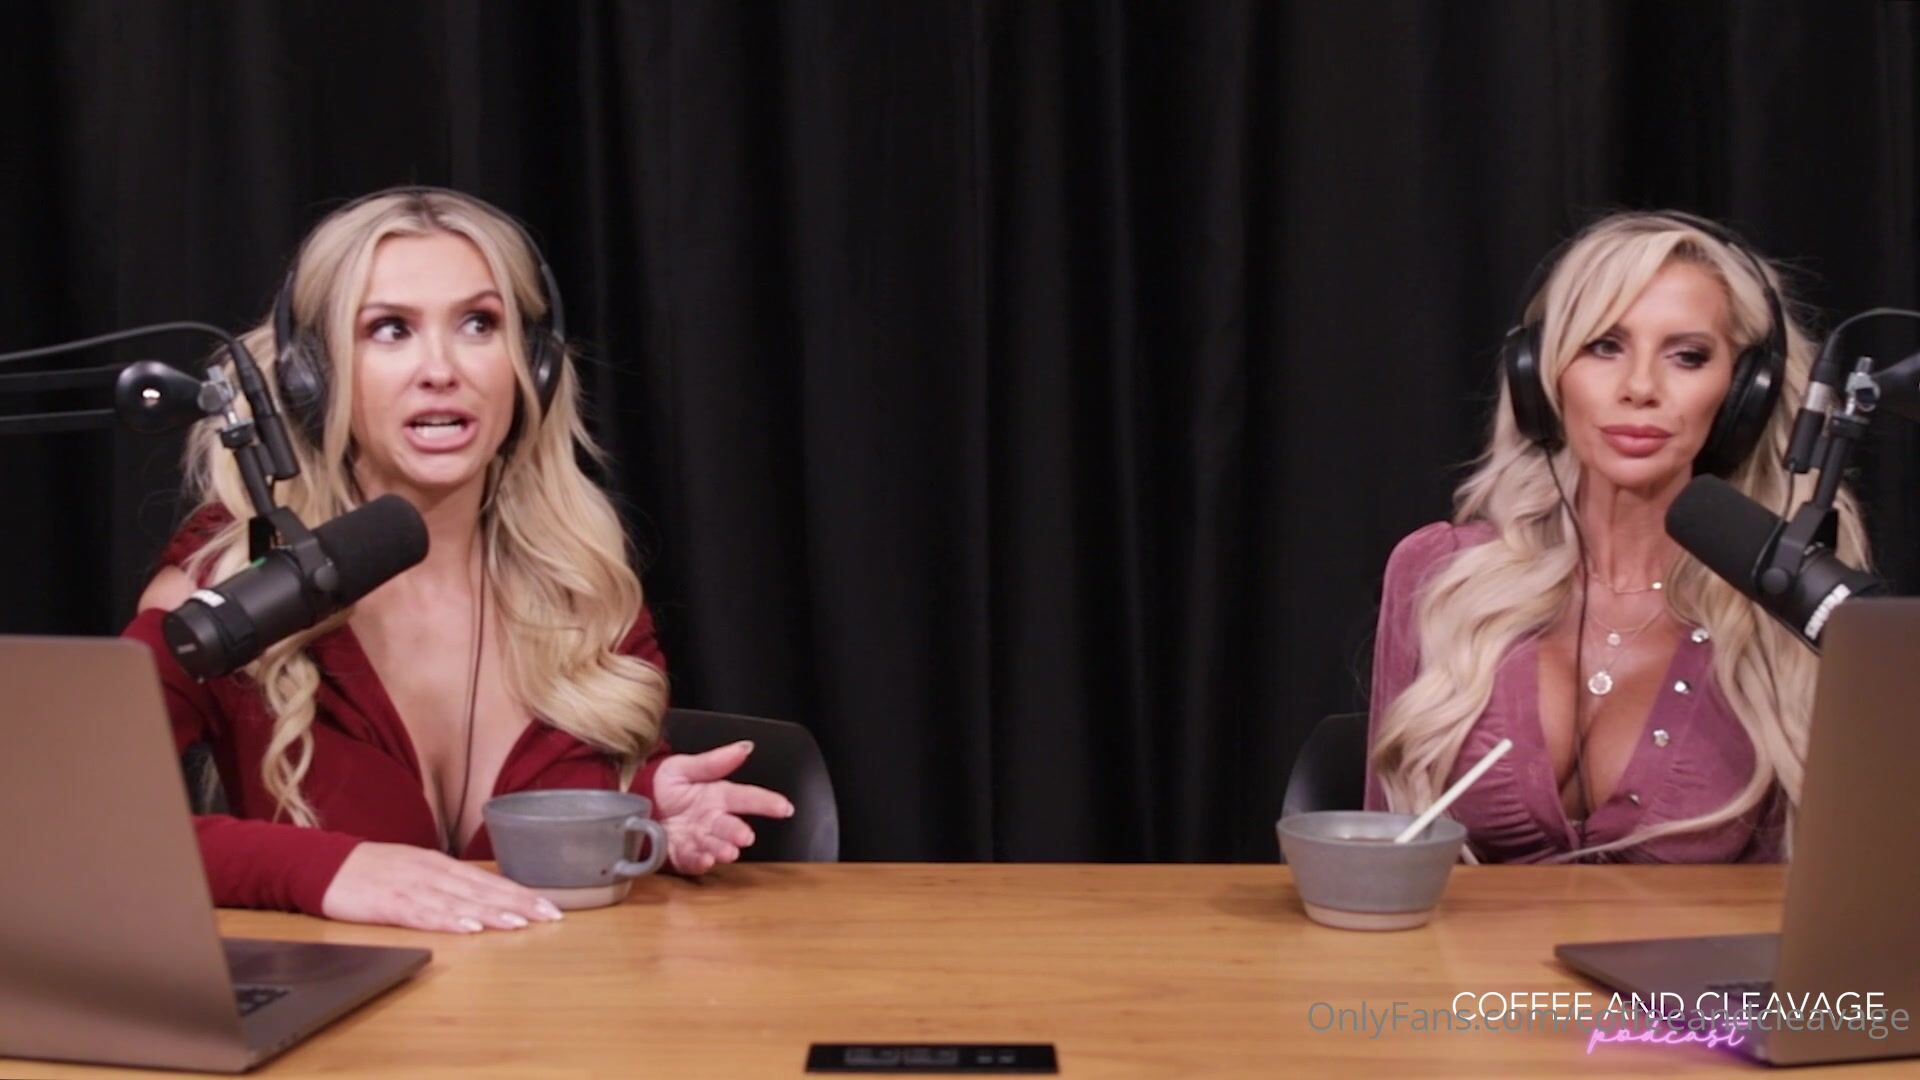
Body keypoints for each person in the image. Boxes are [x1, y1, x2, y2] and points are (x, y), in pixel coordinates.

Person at [123, 187, 793, 932]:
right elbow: (70, 822)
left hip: (554, 1003)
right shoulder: (233, 583)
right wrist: (325, 869)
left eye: (479, 324)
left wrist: (645, 810)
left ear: (532, 365)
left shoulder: (580, 584)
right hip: (341, 1008)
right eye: (390, 329)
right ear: (315, 374)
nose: (441, 369)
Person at [1365, 210, 1868, 863]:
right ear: (1540, 374)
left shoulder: (1789, 596)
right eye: (1604, 346)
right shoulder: (1440, 573)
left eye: (1687, 356)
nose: (1639, 388)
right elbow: (1377, 859)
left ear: (1745, 393)